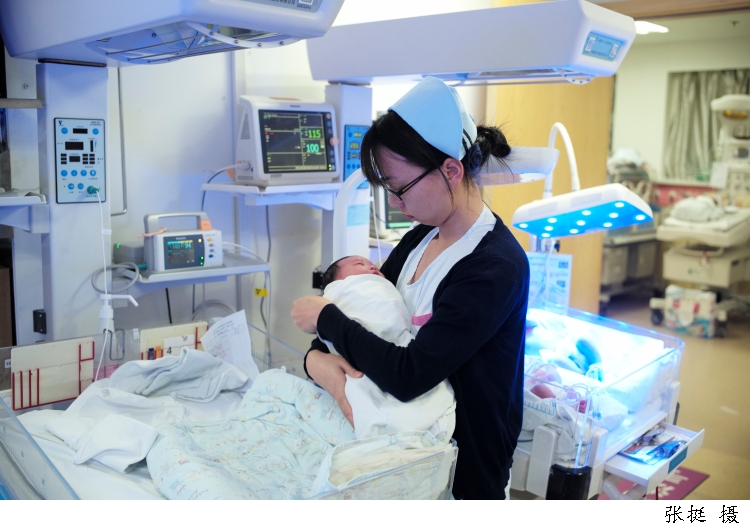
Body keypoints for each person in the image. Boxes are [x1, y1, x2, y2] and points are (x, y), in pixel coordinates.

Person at [291, 76, 529, 500]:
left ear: (451, 170)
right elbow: (364, 320)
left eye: (399, 189)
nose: (394, 203)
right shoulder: (420, 238)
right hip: (404, 459)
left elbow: (409, 374)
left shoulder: (494, 267)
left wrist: (325, 319)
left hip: (464, 473)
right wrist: (314, 360)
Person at [319, 255, 456, 442]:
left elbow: (392, 330)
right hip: (367, 365)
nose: (373, 267)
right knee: (362, 389)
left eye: (372, 265)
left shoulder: (487, 264)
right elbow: (331, 328)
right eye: (359, 264)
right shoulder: (344, 292)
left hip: (400, 363)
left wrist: (322, 316)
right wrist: (314, 355)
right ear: (337, 282)